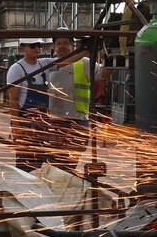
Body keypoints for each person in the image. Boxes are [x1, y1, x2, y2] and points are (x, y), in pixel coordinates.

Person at [47, 29, 110, 173]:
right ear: (54, 47)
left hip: (79, 120)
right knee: (58, 162)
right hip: (56, 121)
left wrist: (110, 53)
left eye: (66, 43)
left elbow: (104, 73)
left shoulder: (84, 63)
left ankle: (64, 185)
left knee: (71, 160)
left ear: (73, 45)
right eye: (59, 43)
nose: (62, 46)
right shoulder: (48, 64)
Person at [5, 40, 54, 171]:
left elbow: (65, 60)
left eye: (39, 46)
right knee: (25, 158)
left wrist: (86, 47)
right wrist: (16, 126)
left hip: (42, 121)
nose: (37, 48)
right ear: (23, 49)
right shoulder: (16, 69)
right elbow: (13, 100)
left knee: (40, 157)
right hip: (26, 122)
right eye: (33, 46)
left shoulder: (43, 64)